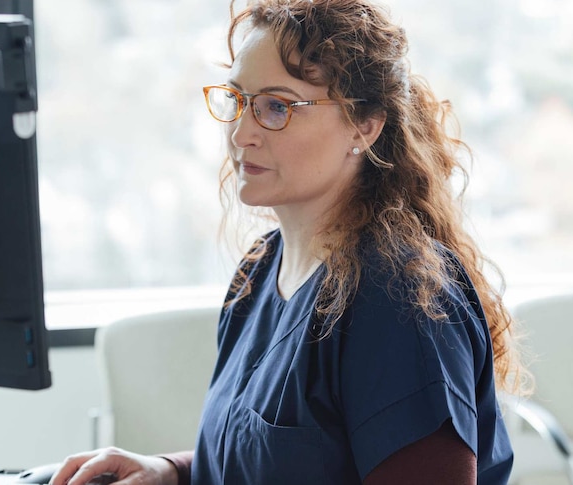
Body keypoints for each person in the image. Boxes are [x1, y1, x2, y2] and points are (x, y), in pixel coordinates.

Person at [51, 0, 528, 483]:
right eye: (237, 100)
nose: (240, 134)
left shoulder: (395, 298)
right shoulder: (261, 270)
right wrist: (170, 471)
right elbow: (279, 462)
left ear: (364, 125)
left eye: (276, 106)